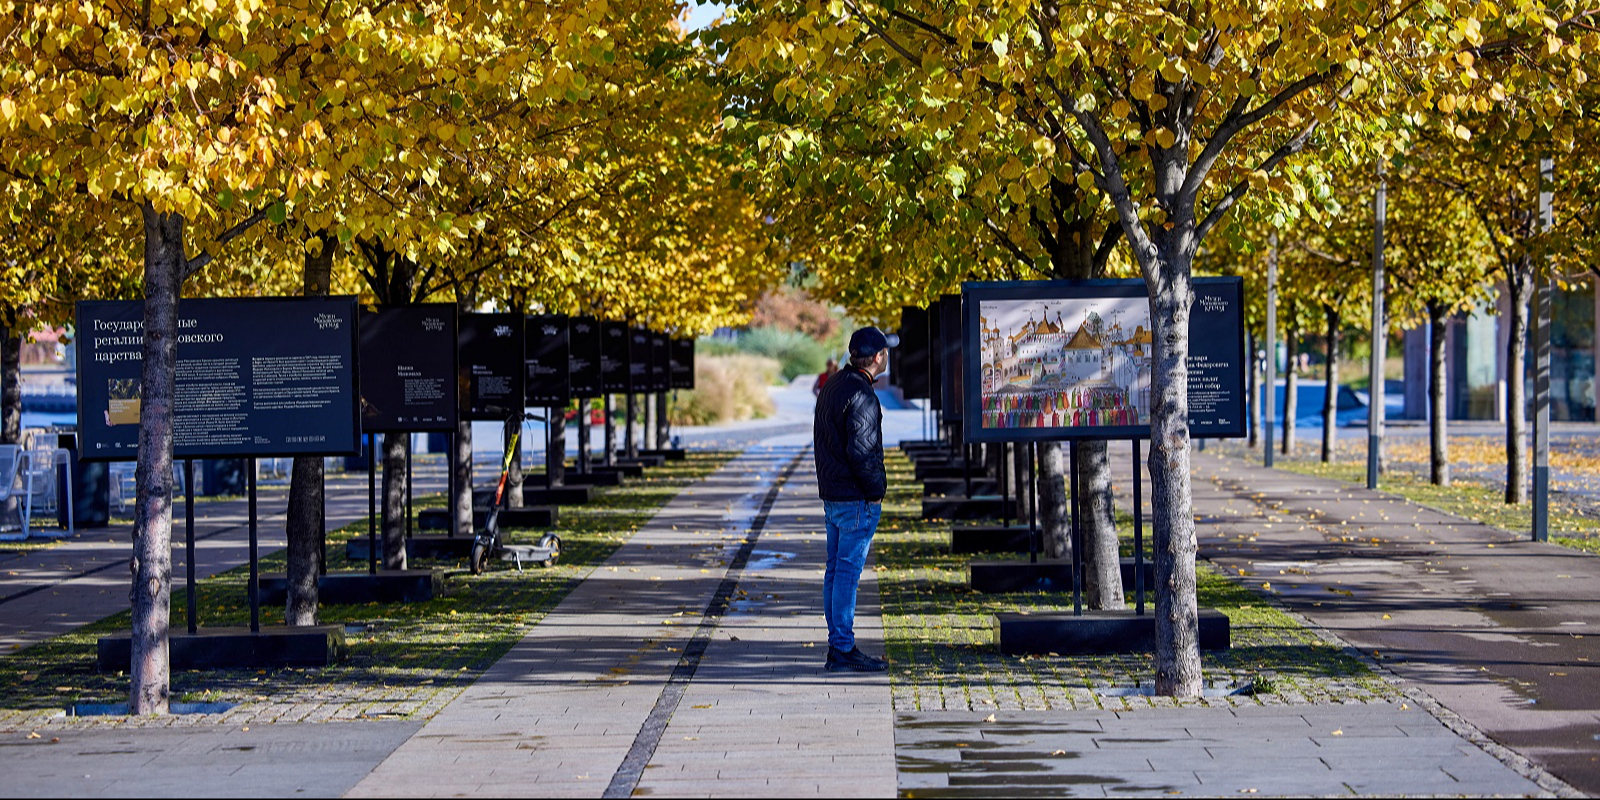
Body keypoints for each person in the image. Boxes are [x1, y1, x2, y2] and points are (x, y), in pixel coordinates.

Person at [812, 326, 891, 672]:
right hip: (855, 498)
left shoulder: (833, 386)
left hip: (833, 495)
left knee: (835, 570)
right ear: (877, 358)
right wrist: (876, 492)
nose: (887, 357)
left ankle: (837, 643)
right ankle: (842, 647)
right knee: (846, 573)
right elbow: (861, 452)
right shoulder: (862, 395)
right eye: (886, 353)